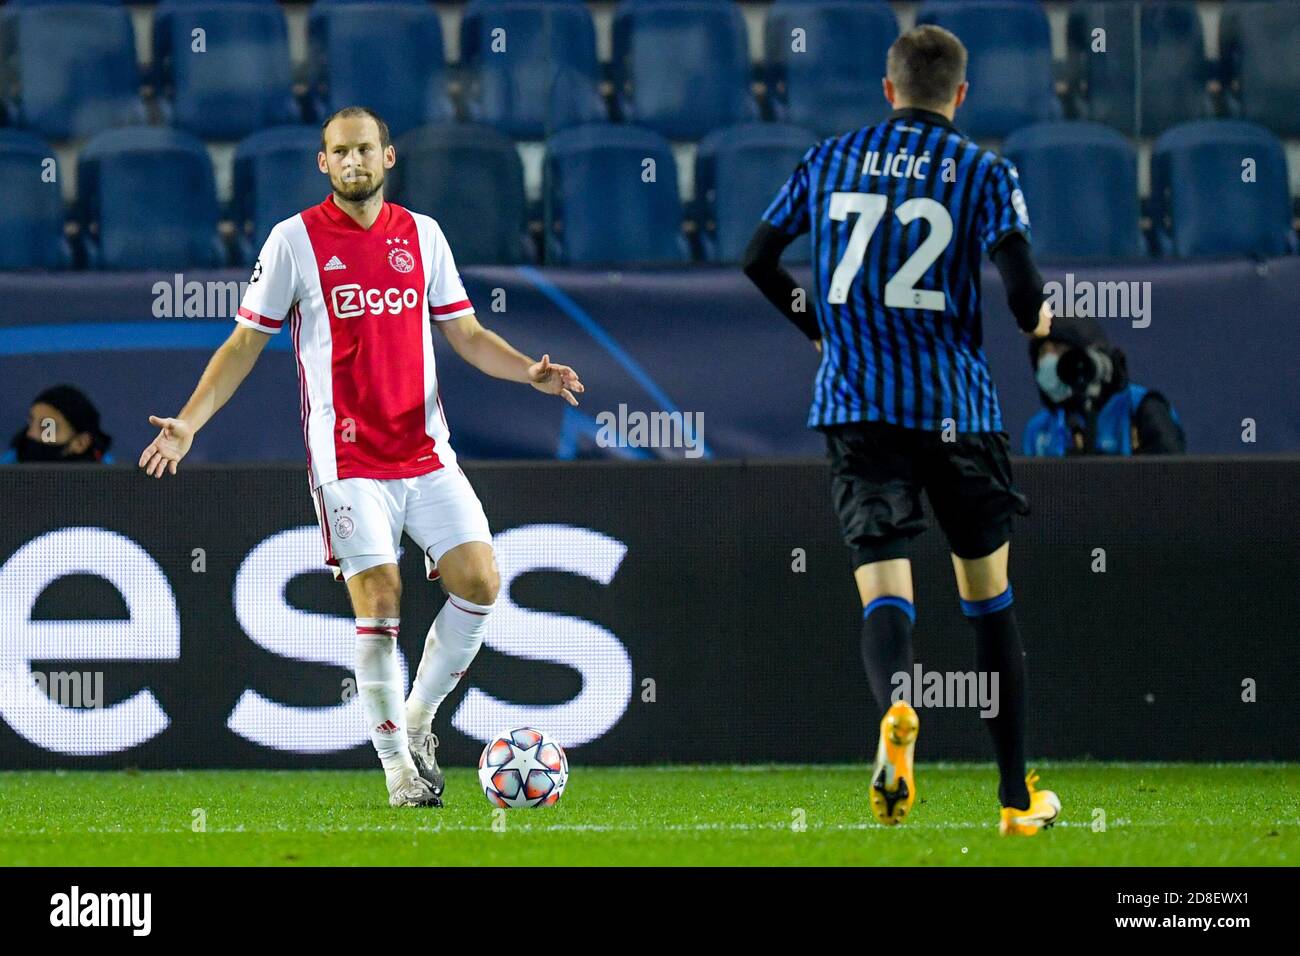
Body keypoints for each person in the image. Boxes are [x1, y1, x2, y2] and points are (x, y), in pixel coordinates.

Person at [138, 106, 584, 808]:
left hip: (427, 454)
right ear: (323, 163)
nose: (353, 162)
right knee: (380, 600)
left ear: (388, 156)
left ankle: (417, 717)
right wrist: (190, 422)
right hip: (347, 462)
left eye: (364, 150)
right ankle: (398, 770)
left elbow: (465, 335)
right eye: (340, 152)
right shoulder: (294, 241)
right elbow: (244, 343)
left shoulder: (424, 236)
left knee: (481, 582)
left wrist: (528, 369)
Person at [742, 25, 1060, 835]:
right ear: (961, 95)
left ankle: (896, 708)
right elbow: (1024, 297)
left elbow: (757, 257)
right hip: (959, 411)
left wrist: (818, 325)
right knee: (989, 603)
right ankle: (1017, 800)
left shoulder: (830, 158)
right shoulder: (985, 171)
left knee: (885, 588)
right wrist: (1043, 316)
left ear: (888, 90)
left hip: (856, 406)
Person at [1024, 314, 1184, 455]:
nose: (1049, 360)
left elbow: (1169, 478)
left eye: (1059, 348)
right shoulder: (1038, 428)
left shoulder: (1141, 409)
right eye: (1043, 352)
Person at [4, 385, 112, 463]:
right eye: (31, 423)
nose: (32, 435)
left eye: (47, 429)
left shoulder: (109, 482)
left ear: (81, 443)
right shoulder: (9, 465)